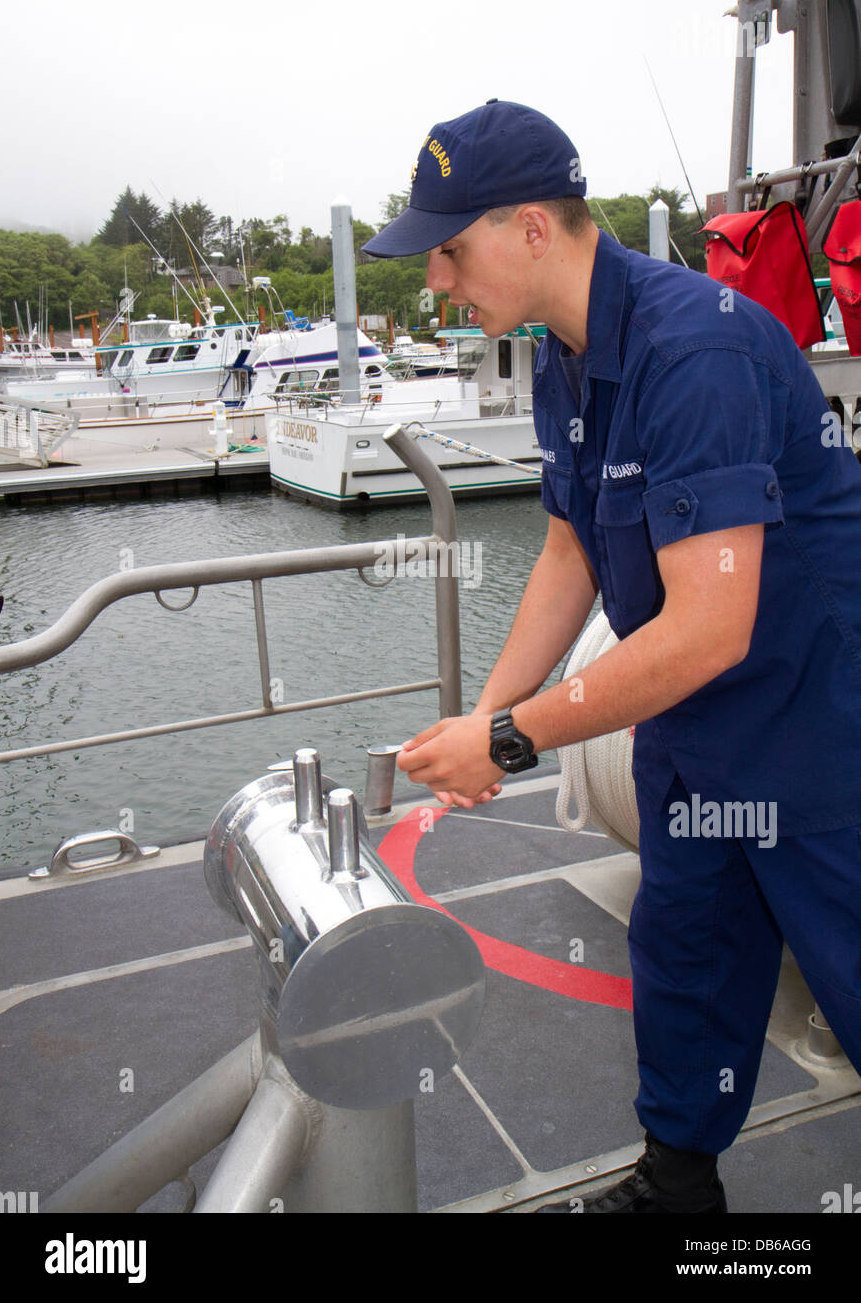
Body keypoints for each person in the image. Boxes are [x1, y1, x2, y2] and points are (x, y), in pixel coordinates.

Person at [361, 100, 861, 1214]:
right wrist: (487, 716)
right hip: (691, 736)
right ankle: (676, 1190)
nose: (436, 281)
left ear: (530, 227)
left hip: (816, 734)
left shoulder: (699, 349)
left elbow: (706, 626)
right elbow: (568, 552)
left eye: (449, 249)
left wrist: (510, 734)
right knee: (685, 965)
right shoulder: (564, 358)